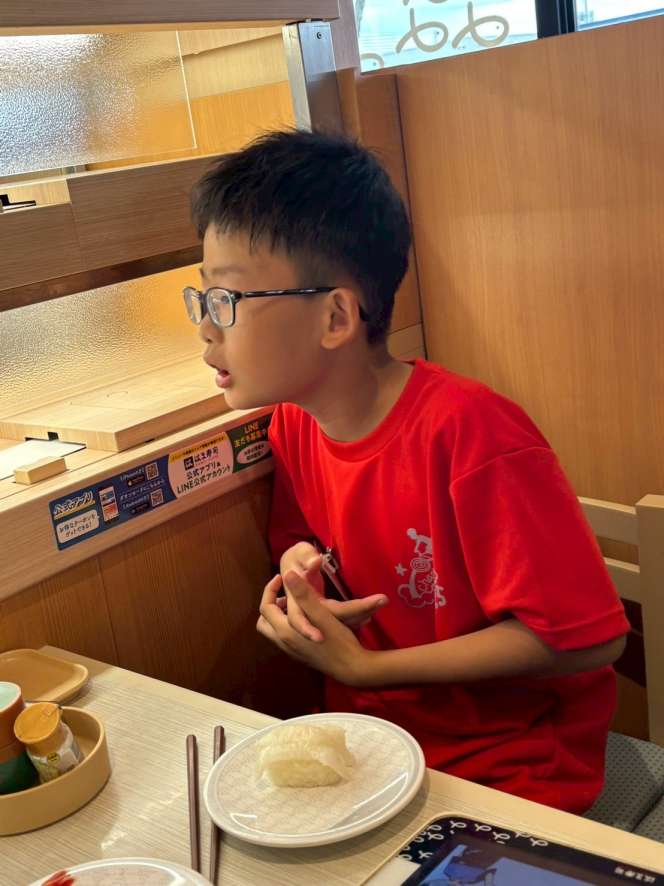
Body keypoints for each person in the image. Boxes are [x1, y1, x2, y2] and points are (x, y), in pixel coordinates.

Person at [186, 129, 629, 813]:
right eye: (202, 299)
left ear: (336, 315)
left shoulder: (472, 432)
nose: (206, 329)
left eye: (227, 301)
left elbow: (586, 637)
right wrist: (303, 573)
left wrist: (368, 668)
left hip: (509, 765)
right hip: (371, 747)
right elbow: (301, 538)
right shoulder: (293, 423)